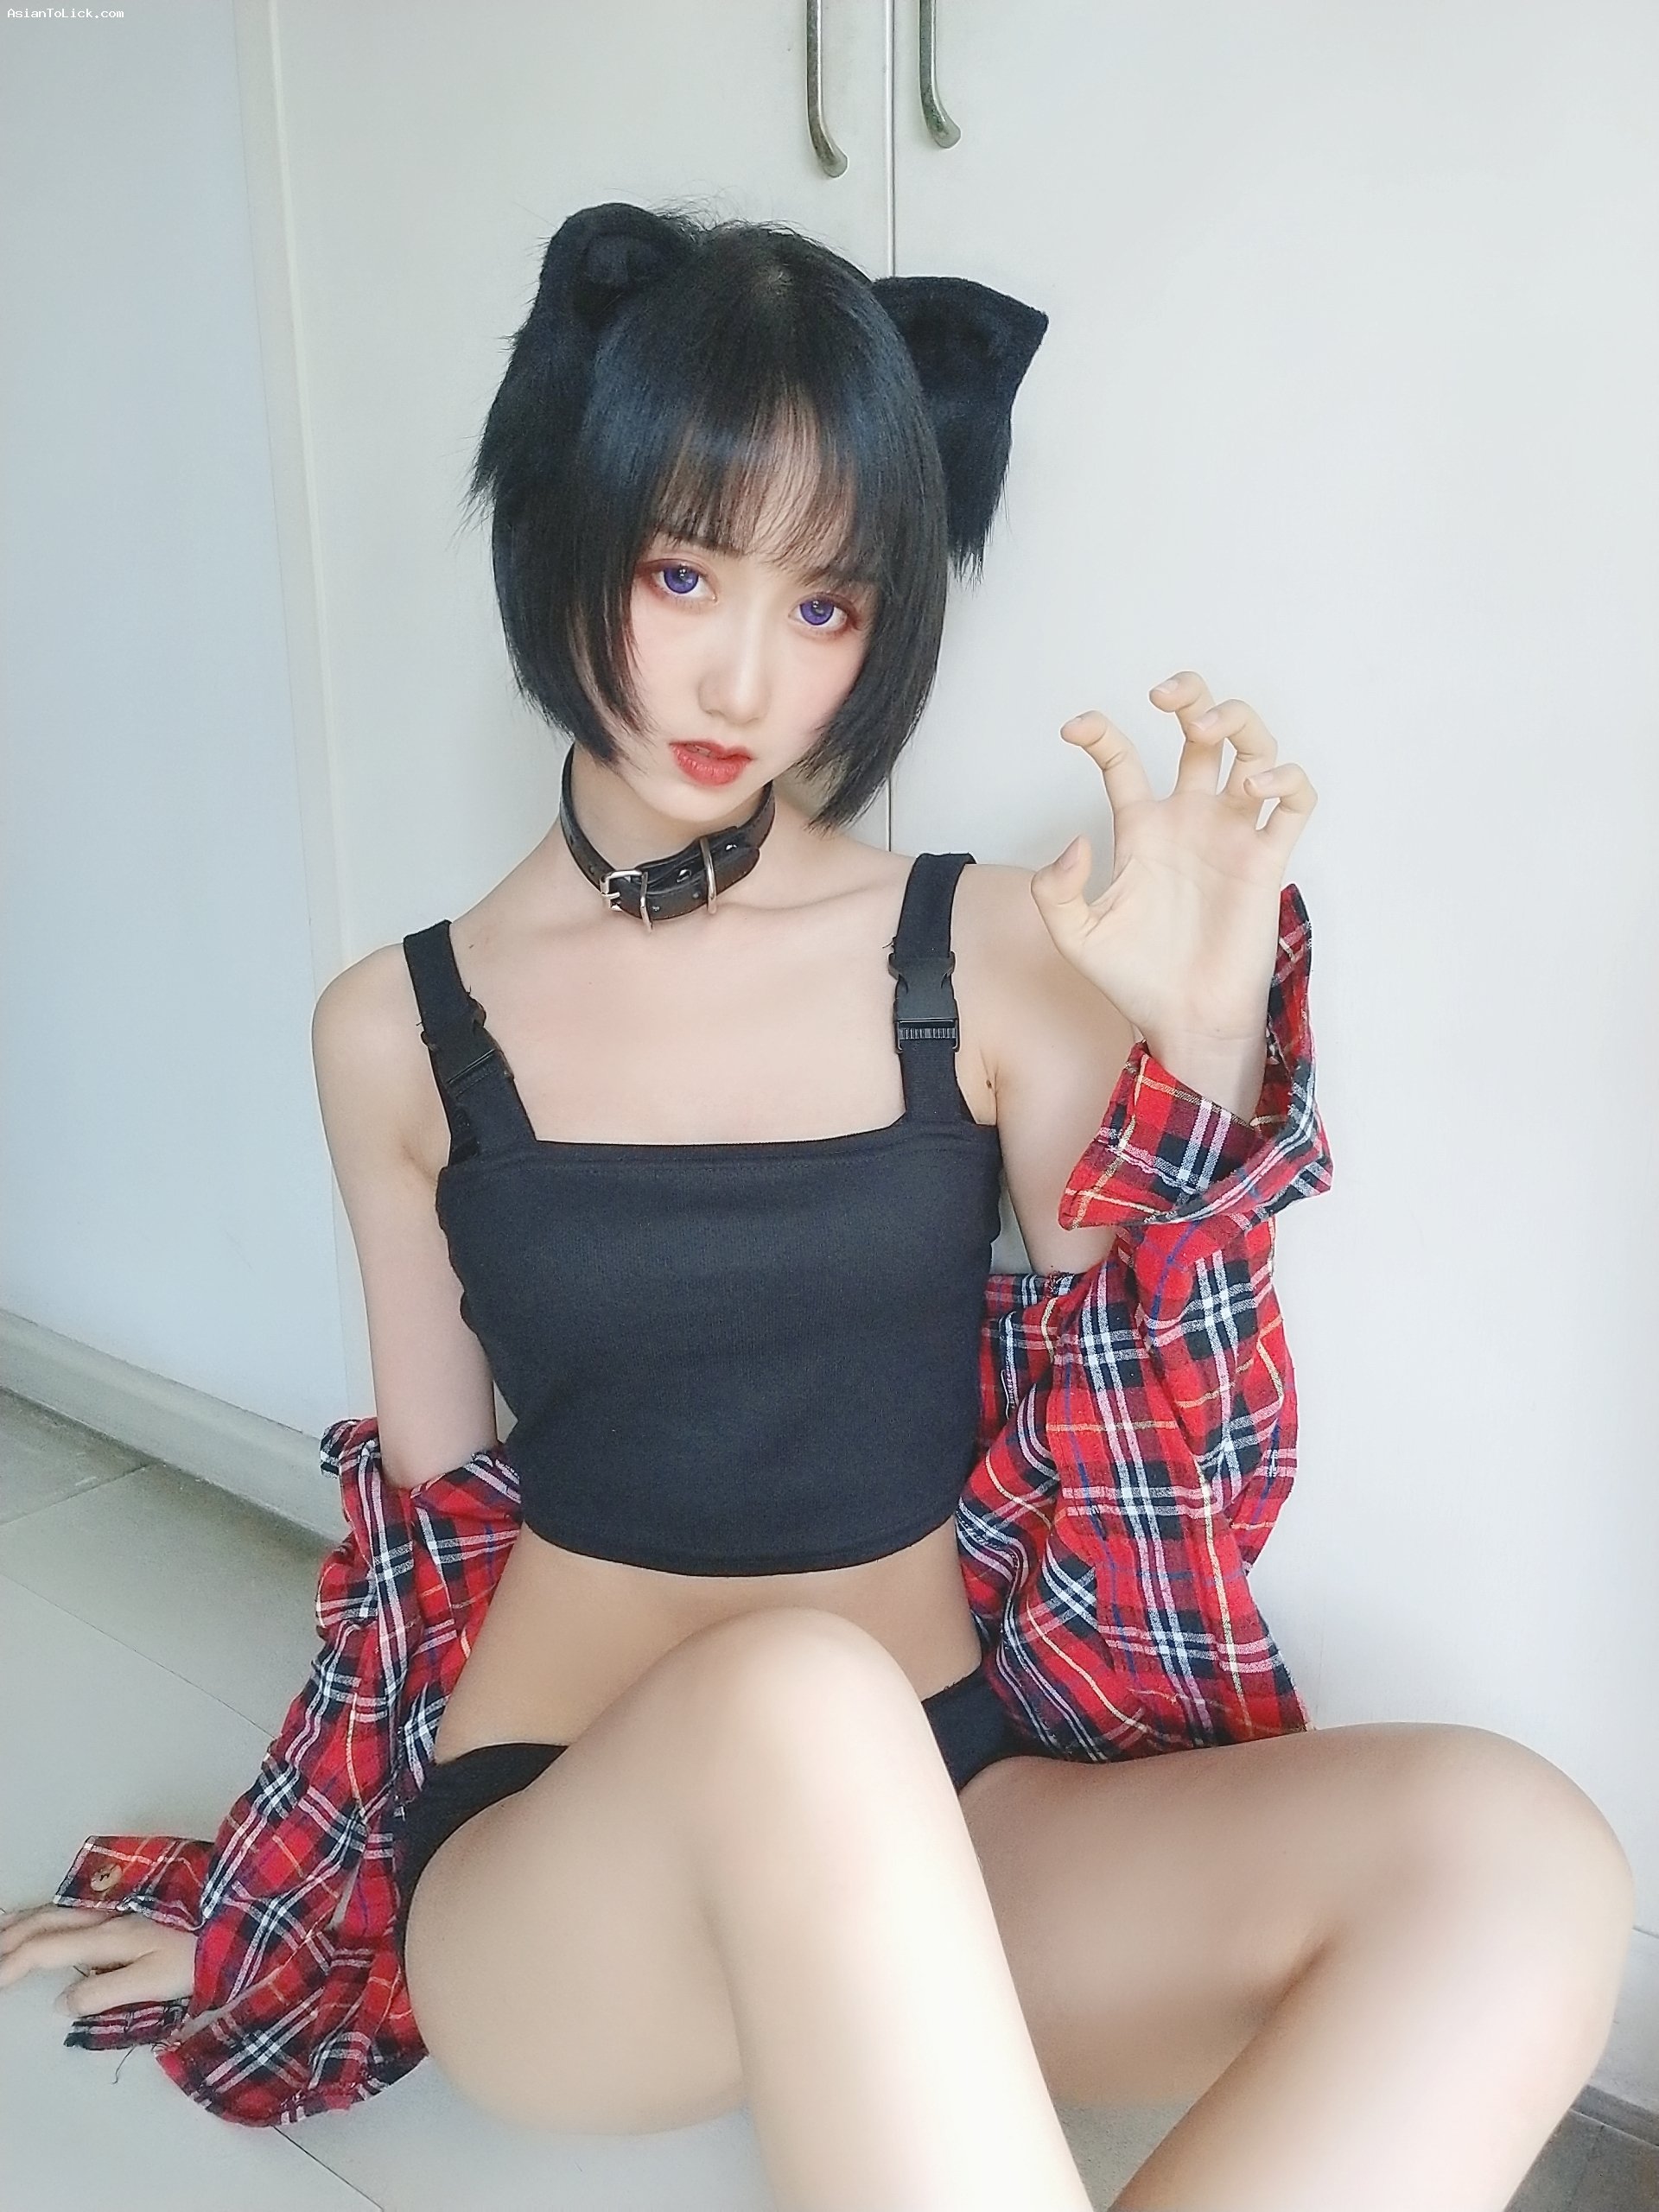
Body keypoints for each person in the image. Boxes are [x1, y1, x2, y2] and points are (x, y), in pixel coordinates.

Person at [1, 203, 1635, 2212]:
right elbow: (424, 1551)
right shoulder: (396, 1028)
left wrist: (1203, 1048)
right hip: (563, 1856)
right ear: (571, 533)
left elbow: (1152, 1462)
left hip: (957, 1801)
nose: (743, 674)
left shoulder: (993, 948)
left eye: (828, 604)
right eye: (684, 570)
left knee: (1517, 1858)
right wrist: (281, 1907)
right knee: (800, 1699)